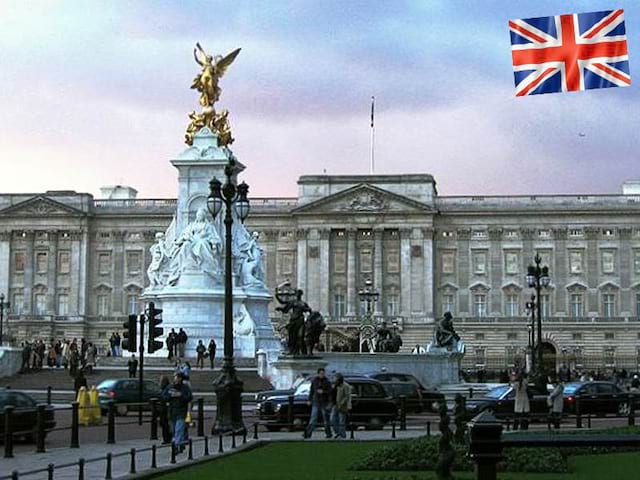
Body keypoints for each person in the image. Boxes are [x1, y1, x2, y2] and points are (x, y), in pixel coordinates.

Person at [161, 372, 193, 452]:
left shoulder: (185, 388)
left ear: (180, 378)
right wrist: (170, 396)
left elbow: (189, 397)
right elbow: (163, 396)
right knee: (174, 430)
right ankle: (181, 444)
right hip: (172, 412)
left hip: (181, 412)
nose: (176, 379)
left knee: (179, 429)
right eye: (175, 377)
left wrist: (180, 395)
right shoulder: (170, 387)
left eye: (177, 377)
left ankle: (176, 446)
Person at [303, 368, 332, 439]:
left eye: (323, 373)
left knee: (325, 419)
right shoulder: (314, 381)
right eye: (321, 373)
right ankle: (308, 433)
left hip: (324, 402)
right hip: (316, 401)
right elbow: (311, 391)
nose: (322, 375)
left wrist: (324, 392)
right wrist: (309, 400)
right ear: (318, 373)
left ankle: (328, 433)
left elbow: (330, 392)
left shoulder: (327, 382)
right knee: (313, 418)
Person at [331, 373, 352, 439]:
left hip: (342, 405)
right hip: (335, 404)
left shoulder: (345, 386)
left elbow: (347, 396)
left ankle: (342, 435)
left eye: (335, 378)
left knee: (341, 420)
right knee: (332, 419)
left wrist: (342, 403)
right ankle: (338, 432)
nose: (334, 379)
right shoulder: (335, 385)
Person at [158, 375, 173, 444]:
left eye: (161, 381)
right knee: (164, 424)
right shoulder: (164, 389)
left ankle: (167, 438)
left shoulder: (167, 388)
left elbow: (167, 397)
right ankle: (166, 438)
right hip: (163, 409)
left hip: (166, 409)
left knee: (166, 424)